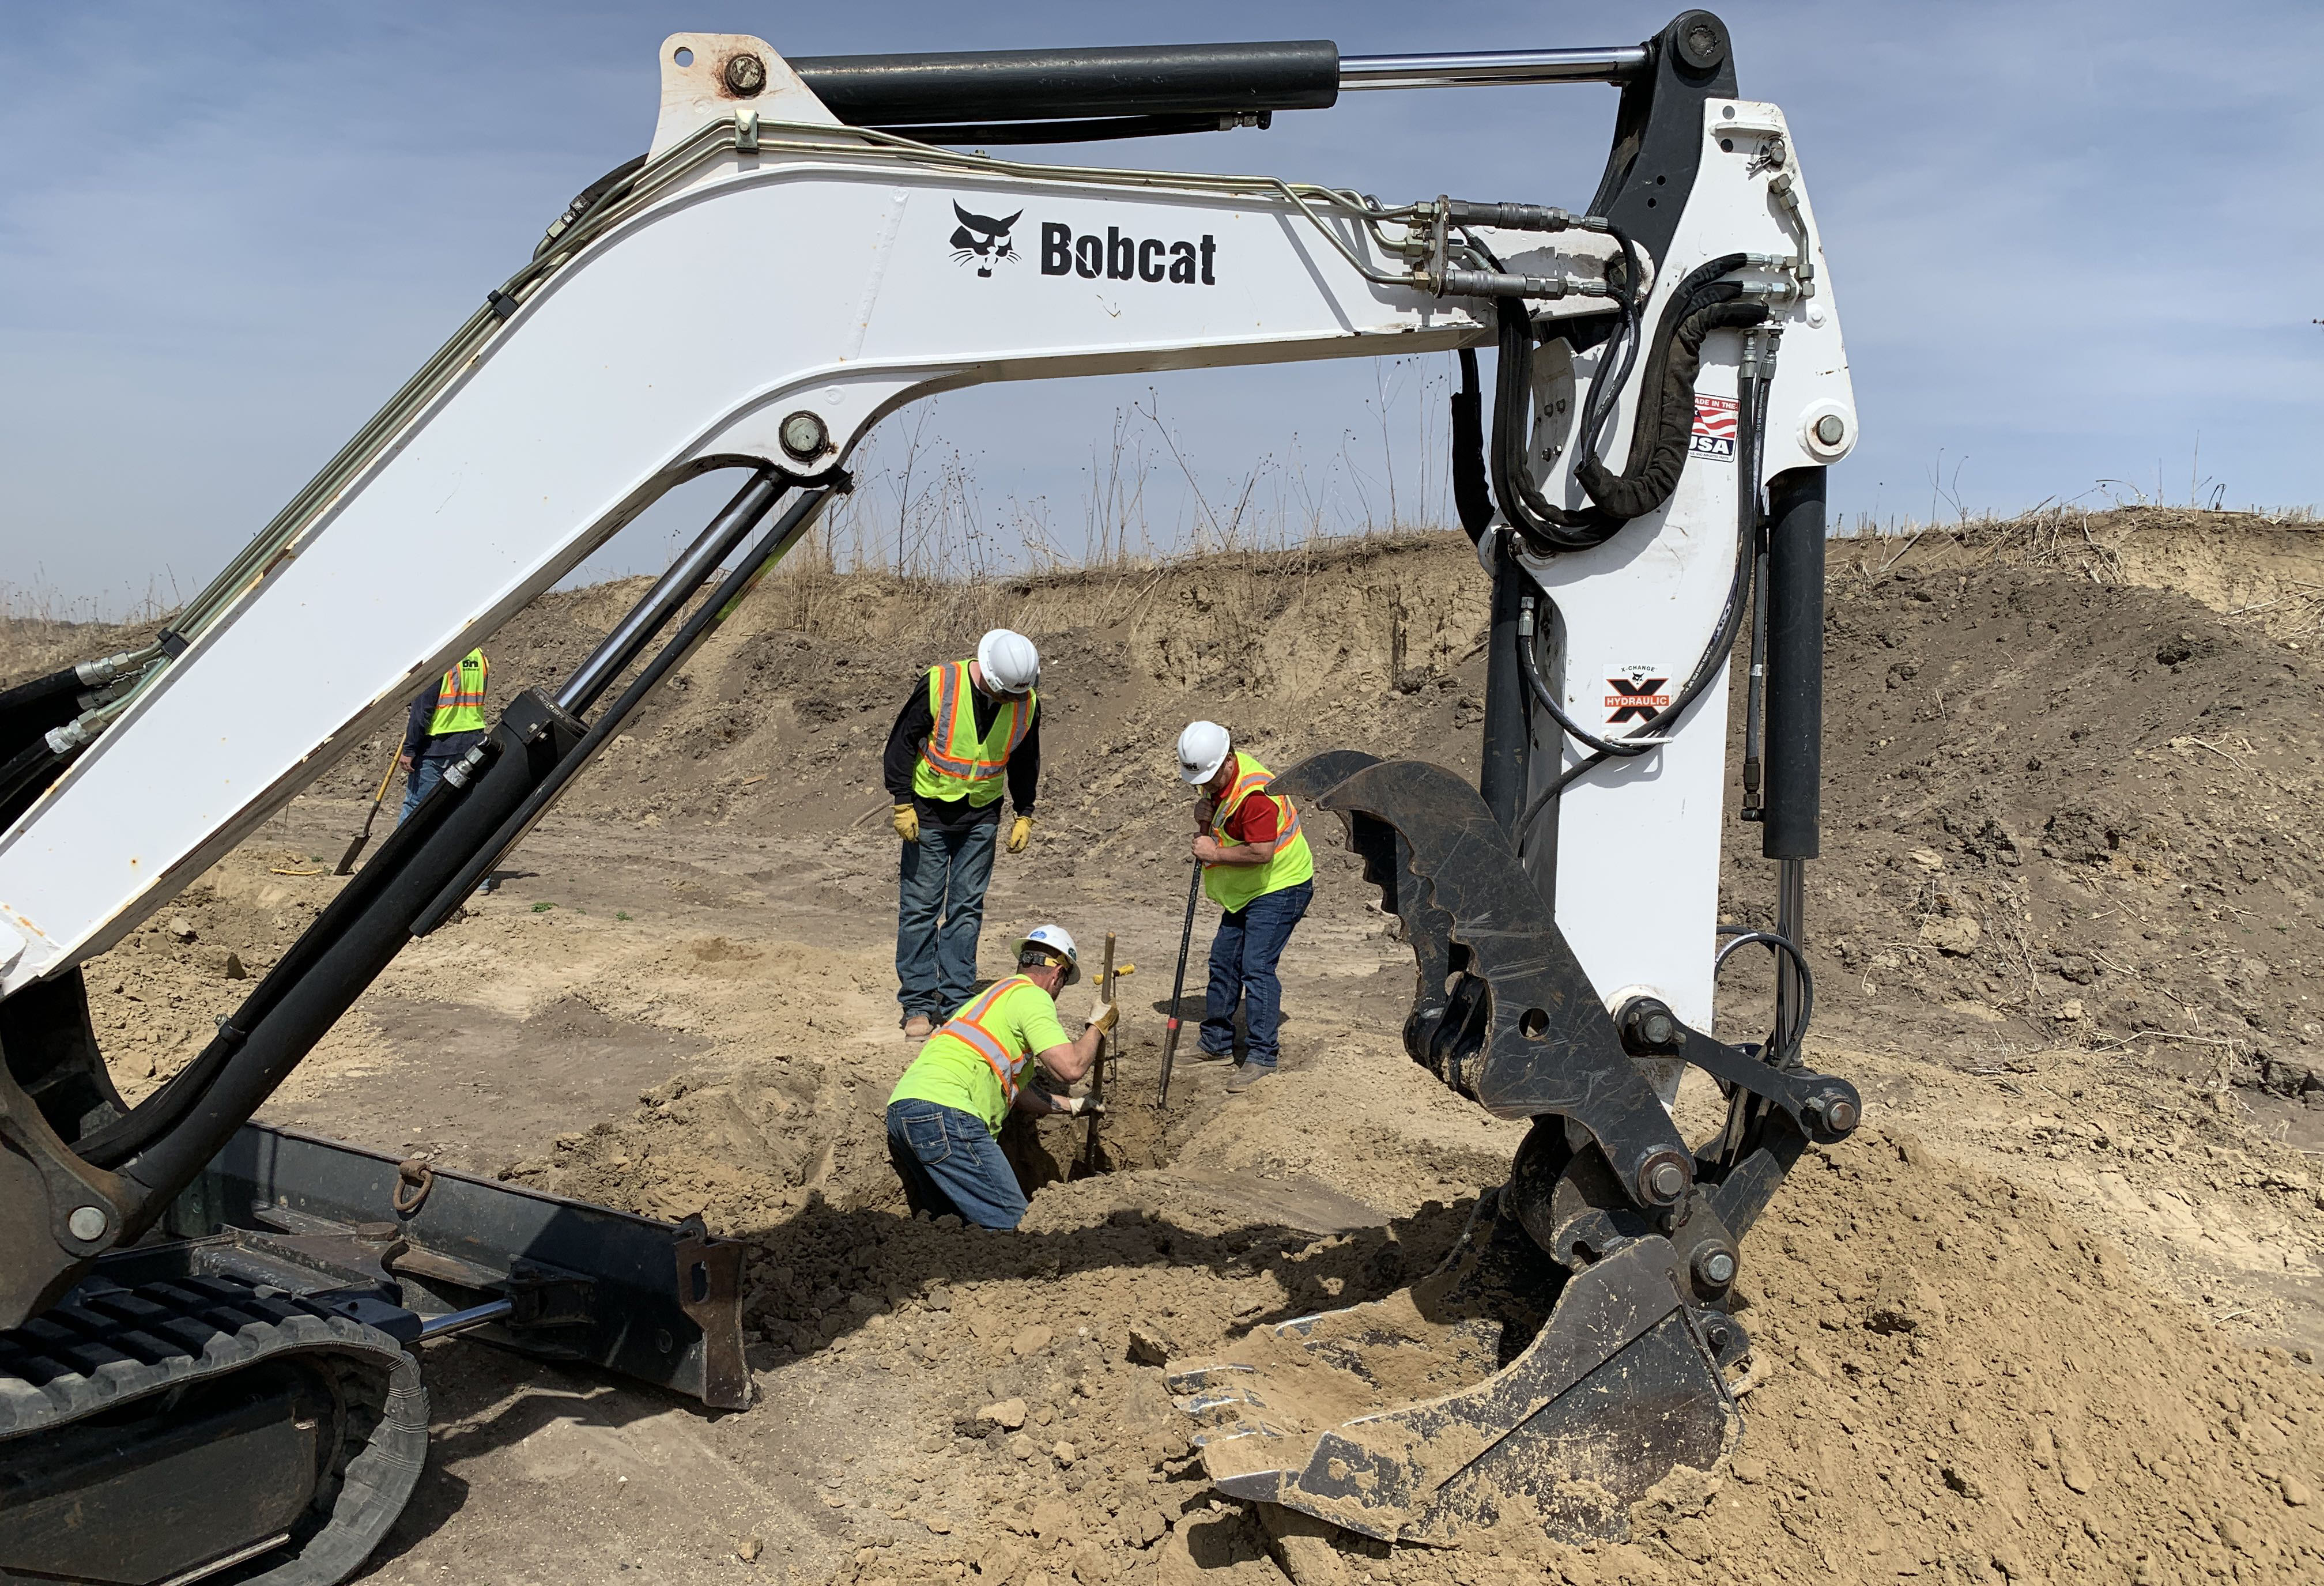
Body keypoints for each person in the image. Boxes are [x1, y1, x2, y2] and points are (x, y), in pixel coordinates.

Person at [885, 926, 1116, 1230]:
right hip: (949, 1116)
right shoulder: (1032, 997)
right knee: (1016, 1228)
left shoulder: (987, 1000)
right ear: (1058, 974)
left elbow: (1017, 1093)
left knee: (947, 1226)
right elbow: (1070, 1068)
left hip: (904, 1113)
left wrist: (1072, 1106)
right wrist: (1096, 1028)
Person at [884, 629, 1042, 1039]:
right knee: (921, 908)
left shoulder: (1026, 702)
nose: (1011, 701)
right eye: (1005, 693)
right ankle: (918, 1002)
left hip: (981, 815)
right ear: (988, 675)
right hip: (929, 811)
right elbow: (900, 743)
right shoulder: (941, 684)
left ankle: (955, 1001)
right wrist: (902, 800)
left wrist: (1025, 811)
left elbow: (1026, 759)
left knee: (966, 908)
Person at [1175, 722, 1315, 1093]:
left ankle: (1262, 1055)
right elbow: (1225, 818)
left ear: (1227, 761)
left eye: (1208, 779)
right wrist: (1206, 812)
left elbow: (1261, 852)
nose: (1203, 787)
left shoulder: (1255, 796)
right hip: (1247, 891)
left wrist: (1212, 852)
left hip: (1281, 886)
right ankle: (1216, 1043)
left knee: (1256, 967)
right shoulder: (1224, 783)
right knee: (1224, 960)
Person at [399, 648, 488, 823]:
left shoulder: (440, 657)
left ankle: (400, 851)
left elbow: (422, 710)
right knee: (452, 809)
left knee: (417, 808)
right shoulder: (479, 655)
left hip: (437, 748)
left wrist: (409, 749)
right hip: (471, 745)